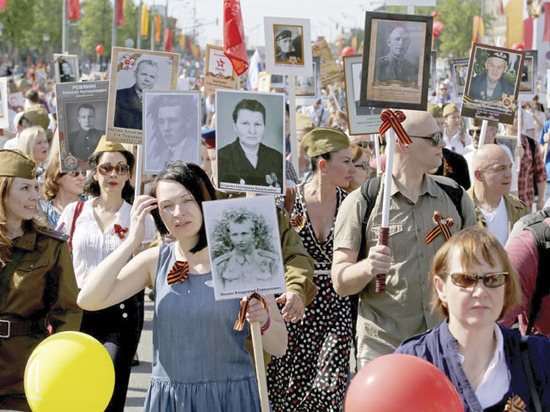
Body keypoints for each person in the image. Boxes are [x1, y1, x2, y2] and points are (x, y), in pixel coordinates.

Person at [78, 161, 287, 411]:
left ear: (204, 198)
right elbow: (89, 299)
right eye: (167, 206)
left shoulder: (244, 256)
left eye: (187, 200)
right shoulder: (155, 260)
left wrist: (263, 320)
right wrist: (131, 241)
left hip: (230, 399)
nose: (178, 212)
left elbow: (280, 346)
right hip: (170, 400)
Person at [331, 110, 477, 367]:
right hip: (385, 348)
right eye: (433, 138)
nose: (442, 144)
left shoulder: (454, 196)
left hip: (446, 343)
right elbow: (340, 281)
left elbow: (477, 264)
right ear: (404, 142)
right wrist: (367, 267)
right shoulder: (363, 202)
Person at [396, 226, 550, 411]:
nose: (480, 291)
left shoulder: (539, 357)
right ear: (441, 288)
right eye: (466, 279)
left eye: (493, 279)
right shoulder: (412, 361)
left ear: (506, 287)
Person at [58, 137, 156, 412]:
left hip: (121, 312)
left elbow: (149, 265)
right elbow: (59, 260)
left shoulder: (138, 217)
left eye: (122, 168)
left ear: (129, 174)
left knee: (110, 390)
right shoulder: (74, 211)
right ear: (94, 171)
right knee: (78, 391)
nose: (114, 174)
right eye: (106, 168)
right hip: (77, 310)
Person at [267, 128, 355, 411]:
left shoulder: (352, 204)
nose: (353, 169)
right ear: (322, 165)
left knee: (330, 382)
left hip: (336, 302)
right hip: (295, 299)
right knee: (288, 382)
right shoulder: (290, 200)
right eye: (346, 161)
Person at [0, 149, 81, 411]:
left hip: (25, 370)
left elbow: (67, 312)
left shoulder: (50, 247)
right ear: (3, 192)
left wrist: (57, 367)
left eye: (35, 188)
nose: (35, 196)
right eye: (25, 188)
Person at [467, 144, 528, 245]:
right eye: (500, 168)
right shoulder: (459, 209)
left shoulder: (519, 209)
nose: (509, 174)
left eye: (510, 167)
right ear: (479, 175)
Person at [217, 99, 283, 188]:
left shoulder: (277, 158)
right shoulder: (221, 157)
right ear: (235, 126)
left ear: (264, 126)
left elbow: (281, 199)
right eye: (245, 123)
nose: (252, 131)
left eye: (257, 124)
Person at [212, 209, 281, 292]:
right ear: (229, 236)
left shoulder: (270, 261)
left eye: (244, 234)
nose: (240, 239)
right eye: (235, 235)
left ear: (253, 234)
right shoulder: (221, 264)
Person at [503, 110, 546, 210]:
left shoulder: (531, 144)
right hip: (503, 202)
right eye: (515, 117)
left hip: (525, 203)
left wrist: (540, 200)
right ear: (505, 121)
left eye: (521, 116)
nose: (519, 120)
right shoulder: (497, 143)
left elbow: (540, 174)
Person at [145, 94, 198, 171]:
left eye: (172, 121)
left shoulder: (196, 152)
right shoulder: (158, 155)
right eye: (161, 122)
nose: (166, 128)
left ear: (188, 122)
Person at [40, 151, 86, 227]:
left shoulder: (91, 209)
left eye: (84, 173)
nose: (81, 178)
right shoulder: (41, 210)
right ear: (57, 177)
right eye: (74, 173)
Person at [114, 59, 159, 130]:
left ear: (155, 79)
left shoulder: (160, 102)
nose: (147, 79)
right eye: (144, 74)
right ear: (135, 74)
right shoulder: (119, 96)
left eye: (152, 77)